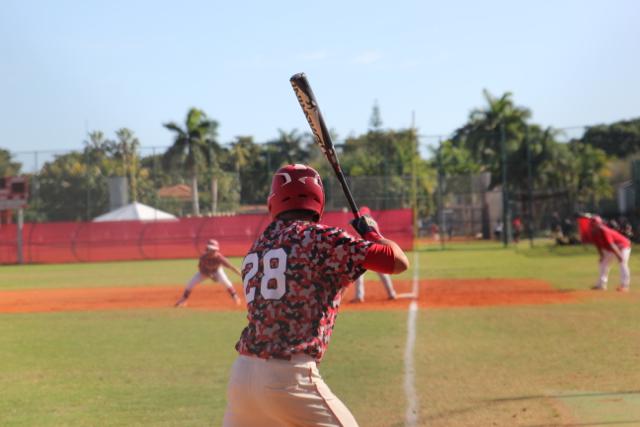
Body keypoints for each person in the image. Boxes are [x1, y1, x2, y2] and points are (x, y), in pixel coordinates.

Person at [223, 164, 409, 427]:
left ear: (272, 203)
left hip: (242, 378)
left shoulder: (260, 245)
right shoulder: (320, 238)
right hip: (289, 378)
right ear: (319, 202)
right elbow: (397, 261)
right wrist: (371, 232)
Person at [174, 239, 242, 307]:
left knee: (225, 281)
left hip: (217, 271)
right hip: (205, 272)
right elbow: (201, 270)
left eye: (214, 250)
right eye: (211, 249)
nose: (212, 251)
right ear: (207, 249)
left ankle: (235, 297)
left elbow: (231, 267)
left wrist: (241, 274)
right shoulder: (203, 257)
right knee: (191, 283)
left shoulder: (219, 257)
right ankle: (183, 300)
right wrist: (211, 276)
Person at [589, 216, 632, 292]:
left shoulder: (604, 230)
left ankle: (625, 286)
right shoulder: (593, 232)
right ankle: (601, 285)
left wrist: (619, 256)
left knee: (622, 263)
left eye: (595, 223)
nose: (594, 225)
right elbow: (598, 245)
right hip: (612, 248)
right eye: (592, 223)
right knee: (603, 263)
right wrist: (602, 255)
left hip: (623, 246)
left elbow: (611, 244)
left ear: (599, 223)